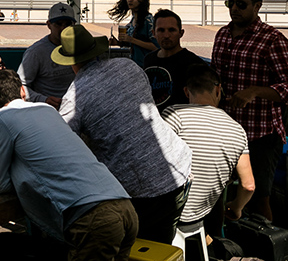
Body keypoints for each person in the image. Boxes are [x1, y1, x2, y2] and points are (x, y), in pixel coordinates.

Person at [55, 24, 192, 244]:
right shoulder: (128, 66)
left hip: (139, 189)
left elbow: (62, 148)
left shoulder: (74, 98)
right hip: (178, 172)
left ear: (69, 61)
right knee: (159, 248)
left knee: (131, 248)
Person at [0, 69, 137, 261]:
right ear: (23, 91)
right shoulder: (48, 110)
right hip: (125, 207)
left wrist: (14, 174)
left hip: (93, 219)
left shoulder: (1, 119)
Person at [211, 0, 288, 221]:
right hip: (226, 132)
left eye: (241, 4)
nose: (234, 9)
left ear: (257, 6)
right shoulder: (222, 34)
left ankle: (269, 245)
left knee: (258, 197)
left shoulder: (272, 40)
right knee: (221, 194)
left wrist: (254, 91)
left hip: (260, 135)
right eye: (230, 3)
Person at [161, 64, 255, 232]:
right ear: (218, 90)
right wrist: (236, 208)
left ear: (186, 92)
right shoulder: (237, 130)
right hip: (198, 218)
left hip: (163, 215)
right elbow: (249, 185)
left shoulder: (174, 115)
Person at [143, 9, 205, 111]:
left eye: (172, 30)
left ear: (181, 33)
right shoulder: (149, 60)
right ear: (154, 33)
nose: (166, 35)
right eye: (161, 30)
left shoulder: (194, 64)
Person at [17, 2, 76, 109]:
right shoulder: (36, 52)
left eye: (67, 24)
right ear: (49, 25)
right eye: (58, 24)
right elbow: (20, 86)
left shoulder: (80, 47)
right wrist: (43, 99)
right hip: (46, 109)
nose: (63, 28)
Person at [107, 0, 158, 67]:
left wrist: (131, 39)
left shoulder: (148, 21)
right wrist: (118, 43)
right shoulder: (134, 19)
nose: (129, 0)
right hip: (135, 64)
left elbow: (156, 47)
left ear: (141, 0)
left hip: (147, 65)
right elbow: (134, 44)